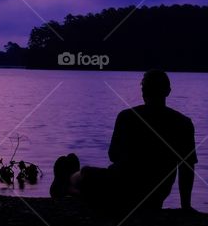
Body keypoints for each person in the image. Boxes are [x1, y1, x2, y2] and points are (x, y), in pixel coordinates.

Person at [50, 70, 198, 212]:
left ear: (143, 92)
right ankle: (71, 182)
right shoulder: (183, 123)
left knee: (86, 174)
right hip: (157, 195)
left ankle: (67, 180)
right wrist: (186, 205)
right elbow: (187, 168)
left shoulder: (127, 117)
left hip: (120, 185)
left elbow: (112, 155)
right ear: (168, 91)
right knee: (101, 185)